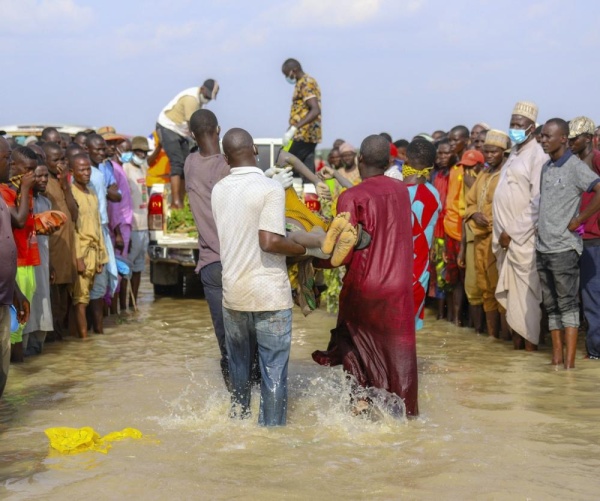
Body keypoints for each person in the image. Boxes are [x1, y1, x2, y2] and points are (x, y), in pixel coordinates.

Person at [312, 135, 418, 418]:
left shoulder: (351, 197)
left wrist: (313, 263)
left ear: (360, 160)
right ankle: (403, 414)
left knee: (352, 346)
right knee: (397, 353)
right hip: (399, 288)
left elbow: (341, 253)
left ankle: (360, 407)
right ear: (388, 162)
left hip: (364, 285)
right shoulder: (401, 191)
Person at [212, 127, 307, 426]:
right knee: (274, 371)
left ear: (227, 158)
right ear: (254, 149)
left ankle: (238, 425)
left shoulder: (219, 189)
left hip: (234, 294)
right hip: (269, 294)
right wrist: (303, 248)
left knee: (239, 370)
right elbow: (270, 241)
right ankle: (272, 436)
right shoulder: (269, 188)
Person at [537, 118, 600, 368]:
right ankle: (556, 360)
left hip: (564, 247)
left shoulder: (575, 167)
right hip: (543, 247)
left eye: (547, 136)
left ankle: (570, 364)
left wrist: (580, 219)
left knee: (568, 305)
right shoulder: (546, 167)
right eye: (542, 136)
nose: (543, 140)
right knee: (551, 306)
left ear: (563, 138)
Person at [493, 101, 548, 351]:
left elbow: (537, 202)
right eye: (512, 124)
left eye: (519, 125)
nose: (514, 128)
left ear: (532, 128)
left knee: (526, 299)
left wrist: (512, 233)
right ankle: (517, 356)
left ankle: (529, 351)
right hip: (504, 241)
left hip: (522, 241)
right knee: (512, 302)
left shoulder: (538, 155)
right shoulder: (514, 153)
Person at [465, 130, 510, 339]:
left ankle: (505, 337)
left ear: (504, 152)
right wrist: (474, 214)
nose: (489, 155)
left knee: (500, 288)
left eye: (494, 152)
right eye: (487, 152)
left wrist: (490, 221)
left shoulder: (507, 174)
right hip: (480, 238)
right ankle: (492, 338)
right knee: (485, 288)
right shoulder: (483, 174)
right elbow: (470, 200)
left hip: (498, 239)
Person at [0, 147, 38, 362]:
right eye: (7, 159)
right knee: (12, 333)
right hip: (18, 265)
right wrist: (24, 188)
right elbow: (20, 220)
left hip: (19, 268)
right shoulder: (7, 192)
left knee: (17, 326)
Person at [156, 79, 219, 208]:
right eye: (207, 96)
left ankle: (182, 201)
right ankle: (175, 202)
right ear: (202, 89)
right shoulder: (192, 99)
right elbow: (192, 124)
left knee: (186, 165)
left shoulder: (200, 102)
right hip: (168, 127)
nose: (208, 99)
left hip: (181, 132)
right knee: (177, 163)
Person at [568, 117, 600, 360]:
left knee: (593, 299)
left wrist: (582, 219)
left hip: (594, 238)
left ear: (588, 139)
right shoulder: (573, 164)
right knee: (586, 298)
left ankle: (595, 353)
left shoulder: (596, 159)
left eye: (574, 139)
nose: (570, 142)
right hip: (579, 239)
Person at [402, 138, 441, 330]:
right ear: (432, 165)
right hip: (419, 272)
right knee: (409, 332)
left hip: (392, 272)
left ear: (405, 159)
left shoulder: (394, 192)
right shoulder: (435, 195)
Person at [41, 141, 78, 340]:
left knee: (63, 306)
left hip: (67, 254)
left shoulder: (64, 182)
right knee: (53, 308)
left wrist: (66, 187)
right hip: (52, 255)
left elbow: (74, 214)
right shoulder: (44, 185)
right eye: (55, 160)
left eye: (63, 159)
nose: (61, 164)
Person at [70, 154, 108, 339]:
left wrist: (101, 255)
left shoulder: (91, 192)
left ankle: (97, 335)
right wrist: (78, 258)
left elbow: (97, 225)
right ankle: (84, 341)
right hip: (82, 253)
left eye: (88, 170)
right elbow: (73, 231)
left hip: (95, 252)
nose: (86, 174)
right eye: (82, 170)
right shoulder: (72, 194)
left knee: (97, 295)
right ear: (72, 172)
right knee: (81, 300)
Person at [85, 134, 119, 333]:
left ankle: (95, 332)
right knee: (95, 282)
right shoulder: (87, 174)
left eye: (102, 149)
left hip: (102, 230)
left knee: (101, 280)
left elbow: (115, 194)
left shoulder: (102, 170)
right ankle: (95, 330)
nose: (100, 153)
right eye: (96, 149)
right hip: (93, 232)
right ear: (86, 149)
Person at [23, 163, 55, 355]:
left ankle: (37, 348)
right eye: (39, 176)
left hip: (42, 260)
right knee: (28, 305)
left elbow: (47, 241)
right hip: (25, 262)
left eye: (46, 176)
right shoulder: (21, 201)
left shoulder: (46, 202)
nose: (44, 180)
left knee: (42, 303)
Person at [456, 149, 486, 332]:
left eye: (470, 166)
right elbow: (464, 215)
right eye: (464, 167)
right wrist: (461, 248)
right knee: (472, 289)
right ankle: (478, 334)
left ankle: (489, 334)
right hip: (469, 241)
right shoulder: (465, 182)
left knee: (487, 289)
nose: (466, 170)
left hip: (485, 237)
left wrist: (473, 183)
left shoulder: (485, 180)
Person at [122, 136, 150, 310]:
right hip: (131, 225)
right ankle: (123, 305)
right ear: (133, 152)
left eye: (144, 152)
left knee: (139, 267)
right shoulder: (126, 169)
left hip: (144, 225)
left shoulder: (142, 168)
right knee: (127, 269)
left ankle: (134, 304)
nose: (142, 155)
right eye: (139, 152)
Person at [281, 58, 322, 176]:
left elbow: (315, 110)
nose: (287, 77)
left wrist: (295, 128)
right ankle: (308, 192)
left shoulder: (306, 82)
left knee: (288, 163)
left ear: (294, 70)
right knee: (306, 169)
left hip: (304, 134)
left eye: (287, 74)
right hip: (303, 135)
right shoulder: (301, 83)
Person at [429, 138, 454, 319]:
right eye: (440, 153)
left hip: (450, 231)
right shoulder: (435, 175)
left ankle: (450, 315)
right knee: (438, 274)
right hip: (436, 231)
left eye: (447, 153)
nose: (443, 157)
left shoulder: (456, 173)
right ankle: (441, 315)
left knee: (449, 275)